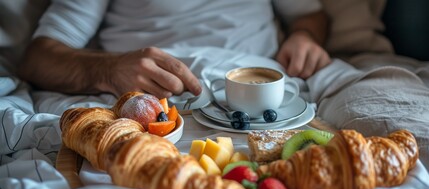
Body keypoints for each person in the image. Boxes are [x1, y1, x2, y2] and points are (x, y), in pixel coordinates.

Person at [18, 0, 331, 100]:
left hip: (274, 89)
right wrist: (109, 70)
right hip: (155, 100)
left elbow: (310, 15)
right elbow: (39, 57)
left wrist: (304, 36)